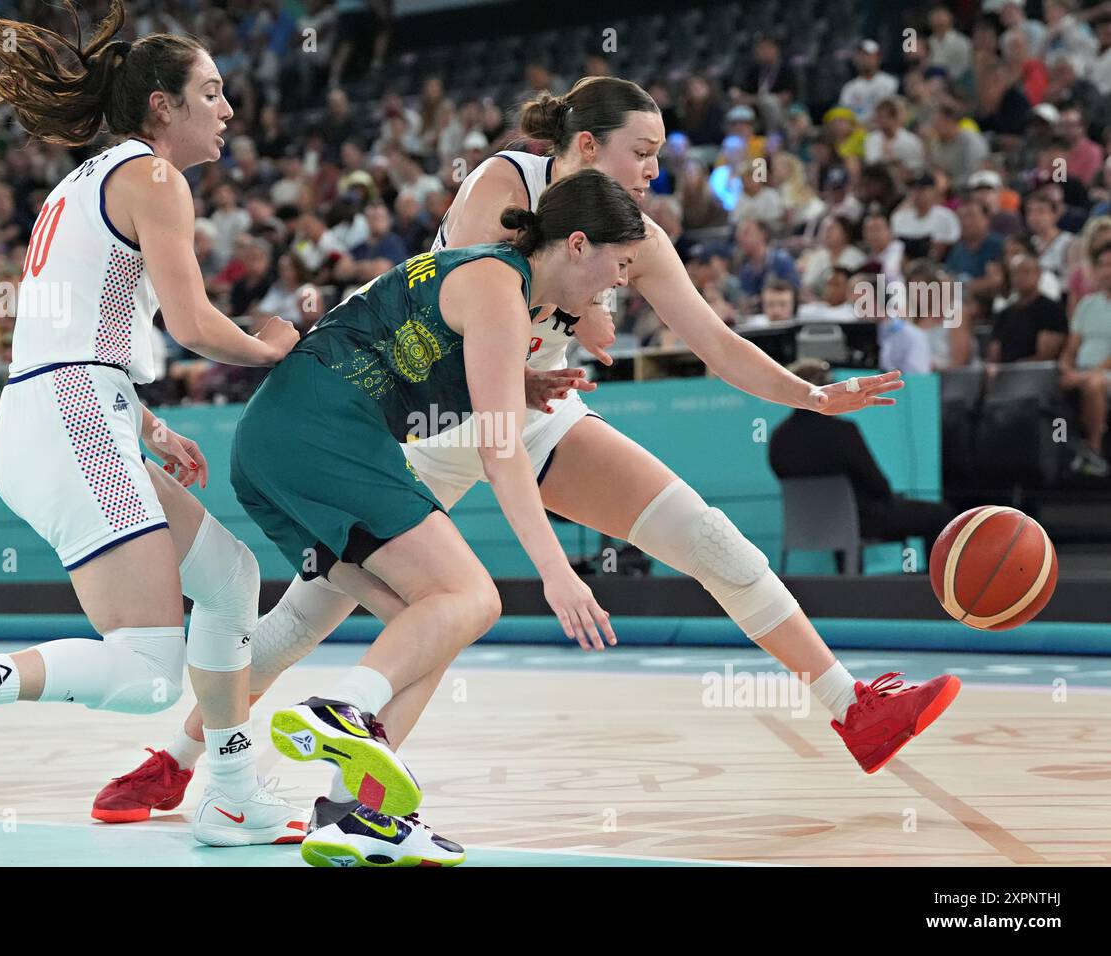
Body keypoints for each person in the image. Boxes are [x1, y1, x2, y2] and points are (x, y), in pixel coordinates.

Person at [96, 77, 961, 845]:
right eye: (642, 152)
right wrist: (557, 349)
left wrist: (810, 394)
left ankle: (851, 708)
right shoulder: (503, 185)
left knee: (701, 534)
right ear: (586, 149)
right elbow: (472, 323)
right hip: (438, 412)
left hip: (529, 402)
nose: (654, 171)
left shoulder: (636, 236)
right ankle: (180, 758)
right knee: (323, 615)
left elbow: (716, 342)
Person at [0, 0, 308, 849]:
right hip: (72, 413)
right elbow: (189, 324)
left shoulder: (82, 182)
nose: (229, 109)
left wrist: (143, 422)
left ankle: (228, 790)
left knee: (227, 579)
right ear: (163, 106)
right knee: (149, 671)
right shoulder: (155, 178)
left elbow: (71, 327)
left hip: (69, 409)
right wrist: (272, 347)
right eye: (212, 92)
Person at [237, 170, 642, 865]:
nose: (621, 282)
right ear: (578, 245)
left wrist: (522, 381)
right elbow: (499, 450)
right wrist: (557, 572)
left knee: (429, 622)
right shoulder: (498, 289)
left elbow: (411, 350)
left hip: (277, 442)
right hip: (324, 428)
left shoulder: (499, 293)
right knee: (472, 597)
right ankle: (343, 708)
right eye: (621, 263)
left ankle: (352, 812)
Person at [769, 359, 957, 564]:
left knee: (847, 512)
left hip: (806, 522)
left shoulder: (779, 437)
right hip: (862, 518)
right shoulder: (842, 432)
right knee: (941, 515)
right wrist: (887, 496)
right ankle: (935, 588)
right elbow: (875, 482)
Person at [1059, 242, 1111, 476]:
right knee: (1044, 384)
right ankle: (1059, 452)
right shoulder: (1087, 304)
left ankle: (1095, 452)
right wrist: (1066, 367)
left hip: (1101, 374)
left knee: (1094, 384)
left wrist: (1084, 375)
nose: (1106, 270)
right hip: (1081, 371)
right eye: (1102, 265)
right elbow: (1071, 347)